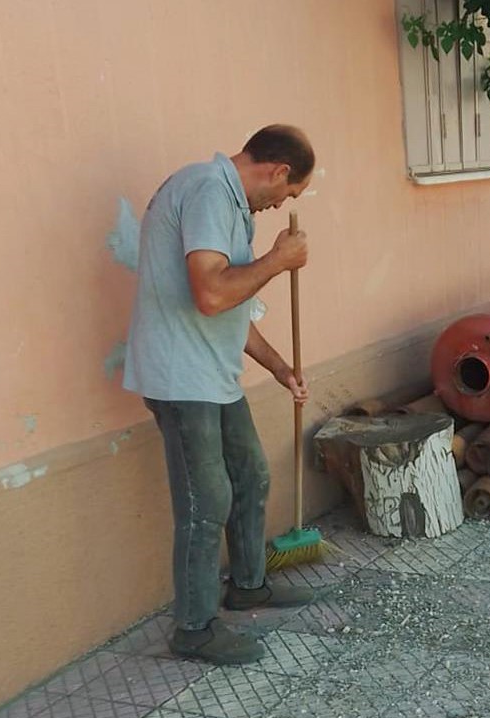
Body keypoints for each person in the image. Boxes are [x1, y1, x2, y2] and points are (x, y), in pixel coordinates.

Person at [123, 124, 316, 665]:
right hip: (182, 378)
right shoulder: (209, 189)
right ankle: (195, 629)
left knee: (250, 473)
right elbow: (210, 294)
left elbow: (232, 300)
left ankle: (249, 586)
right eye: (288, 193)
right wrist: (278, 262)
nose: (282, 205)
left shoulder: (230, 205)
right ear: (277, 172)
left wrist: (281, 368)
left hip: (211, 374)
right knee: (205, 501)